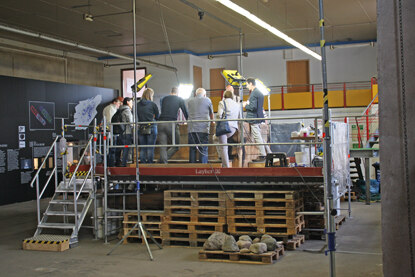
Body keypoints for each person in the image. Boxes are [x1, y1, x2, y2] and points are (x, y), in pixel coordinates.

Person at [158, 87, 189, 164]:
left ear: (171, 92)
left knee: (163, 146)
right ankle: (161, 161)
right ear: (177, 92)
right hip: (171, 123)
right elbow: (185, 112)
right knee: (176, 145)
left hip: (160, 123)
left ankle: (163, 163)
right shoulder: (180, 99)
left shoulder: (163, 98)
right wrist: (189, 121)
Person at [243, 78, 270, 161]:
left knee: (257, 136)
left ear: (251, 83)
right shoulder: (259, 92)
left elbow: (253, 107)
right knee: (259, 136)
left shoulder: (254, 93)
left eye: (247, 84)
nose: (247, 87)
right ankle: (268, 152)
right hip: (258, 116)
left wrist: (245, 105)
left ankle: (263, 154)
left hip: (253, 117)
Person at [187, 88, 213, 163]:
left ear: (195, 94)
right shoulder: (207, 100)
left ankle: (192, 169)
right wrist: (212, 121)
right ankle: (203, 169)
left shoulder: (190, 101)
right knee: (203, 148)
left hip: (191, 129)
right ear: (204, 95)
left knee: (192, 149)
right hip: (203, 128)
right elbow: (211, 114)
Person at [217, 90, 241, 167]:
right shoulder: (237, 105)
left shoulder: (222, 102)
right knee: (218, 141)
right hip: (233, 129)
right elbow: (240, 117)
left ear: (224, 96)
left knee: (223, 147)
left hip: (224, 127)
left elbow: (219, 115)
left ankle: (226, 166)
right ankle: (225, 162)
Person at [137, 88, 159, 163]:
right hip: (151, 127)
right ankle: (150, 163)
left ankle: (143, 163)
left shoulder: (137, 105)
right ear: (150, 95)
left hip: (141, 127)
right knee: (150, 147)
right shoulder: (153, 104)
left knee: (143, 147)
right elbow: (157, 116)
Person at [103, 97, 123, 167]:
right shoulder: (110, 108)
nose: (119, 105)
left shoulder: (112, 108)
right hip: (111, 132)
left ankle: (112, 164)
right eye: (118, 103)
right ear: (114, 102)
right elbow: (110, 120)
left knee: (113, 149)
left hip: (111, 131)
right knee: (112, 149)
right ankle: (111, 165)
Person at [117, 97, 133, 167]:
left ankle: (120, 162)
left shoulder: (120, 109)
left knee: (122, 148)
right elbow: (130, 122)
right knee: (126, 148)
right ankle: (124, 163)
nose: (132, 104)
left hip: (121, 131)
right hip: (127, 132)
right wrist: (134, 126)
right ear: (127, 102)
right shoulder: (127, 110)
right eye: (131, 102)